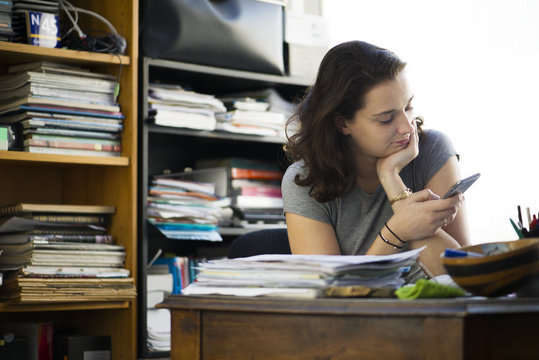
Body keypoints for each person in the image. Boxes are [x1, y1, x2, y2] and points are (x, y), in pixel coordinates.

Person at [282, 40, 471, 277]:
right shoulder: (304, 181)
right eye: (386, 118)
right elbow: (331, 294)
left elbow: (463, 276)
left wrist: (392, 181)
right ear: (342, 123)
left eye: (408, 106)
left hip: (433, 310)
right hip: (361, 313)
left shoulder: (432, 149)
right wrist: (398, 229)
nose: (406, 127)